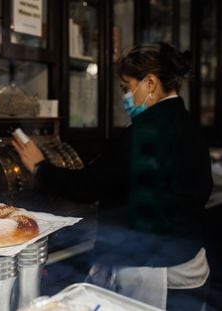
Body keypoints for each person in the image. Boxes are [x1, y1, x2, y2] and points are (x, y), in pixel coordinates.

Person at [12, 42, 213, 310]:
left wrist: (40, 167)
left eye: (126, 87)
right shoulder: (188, 123)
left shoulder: (145, 131)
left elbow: (91, 185)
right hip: (191, 264)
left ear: (150, 83)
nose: (125, 96)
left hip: (159, 272)